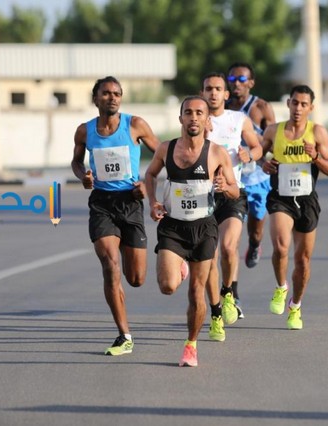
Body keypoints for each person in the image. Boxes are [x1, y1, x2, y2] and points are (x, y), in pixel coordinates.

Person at [144, 95, 240, 367]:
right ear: (181, 118)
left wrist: (224, 187)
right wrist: (153, 202)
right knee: (167, 286)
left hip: (204, 227)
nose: (194, 117)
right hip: (173, 226)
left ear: (208, 121)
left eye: (200, 113)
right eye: (189, 113)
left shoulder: (217, 153)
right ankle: (179, 266)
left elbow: (234, 191)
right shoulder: (166, 149)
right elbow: (149, 175)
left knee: (197, 290)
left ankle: (191, 345)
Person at [71, 76, 160, 355]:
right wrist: (82, 176)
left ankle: (176, 266)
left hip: (131, 202)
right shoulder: (85, 131)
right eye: (106, 93)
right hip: (102, 203)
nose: (112, 97)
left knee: (136, 279)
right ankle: (124, 335)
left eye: (117, 93)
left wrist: (146, 184)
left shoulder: (135, 125)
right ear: (95, 99)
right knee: (110, 265)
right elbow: (75, 161)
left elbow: (164, 155)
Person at [261, 85, 328, 330]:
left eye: (304, 104)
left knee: (302, 259)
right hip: (281, 197)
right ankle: (281, 287)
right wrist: (265, 164)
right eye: (295, 103)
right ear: (288, 104)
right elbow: (260, 156)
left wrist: (315, 157)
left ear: (311, 108)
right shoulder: (274, 131)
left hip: (306, 199)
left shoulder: (318, 133)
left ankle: (296, 305)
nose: (298, 108)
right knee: (281, 246)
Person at [201, 72, 263, 329]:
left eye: (218, 89)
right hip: (202, 196)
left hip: (232, 193)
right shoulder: (195, 120)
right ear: (202, 93)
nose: (213, 93)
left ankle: (229, 292)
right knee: (208, 257)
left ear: (226, 94)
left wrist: (249, 154)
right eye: (208, 89)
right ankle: (216, 306)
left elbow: (258, 147)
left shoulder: (239, 119)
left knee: (228, 247)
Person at [226, 62, 276, 270]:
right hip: (231, 176)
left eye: (241, 79)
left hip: (257, 176)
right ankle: (231, 283)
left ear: (251, 83)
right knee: (230, 234)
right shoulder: (222, 107)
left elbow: (272, 140)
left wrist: (257, 151)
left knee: (255, 229)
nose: (236, 83)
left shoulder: (261, 108)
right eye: (232, 80)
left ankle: (255, 245)